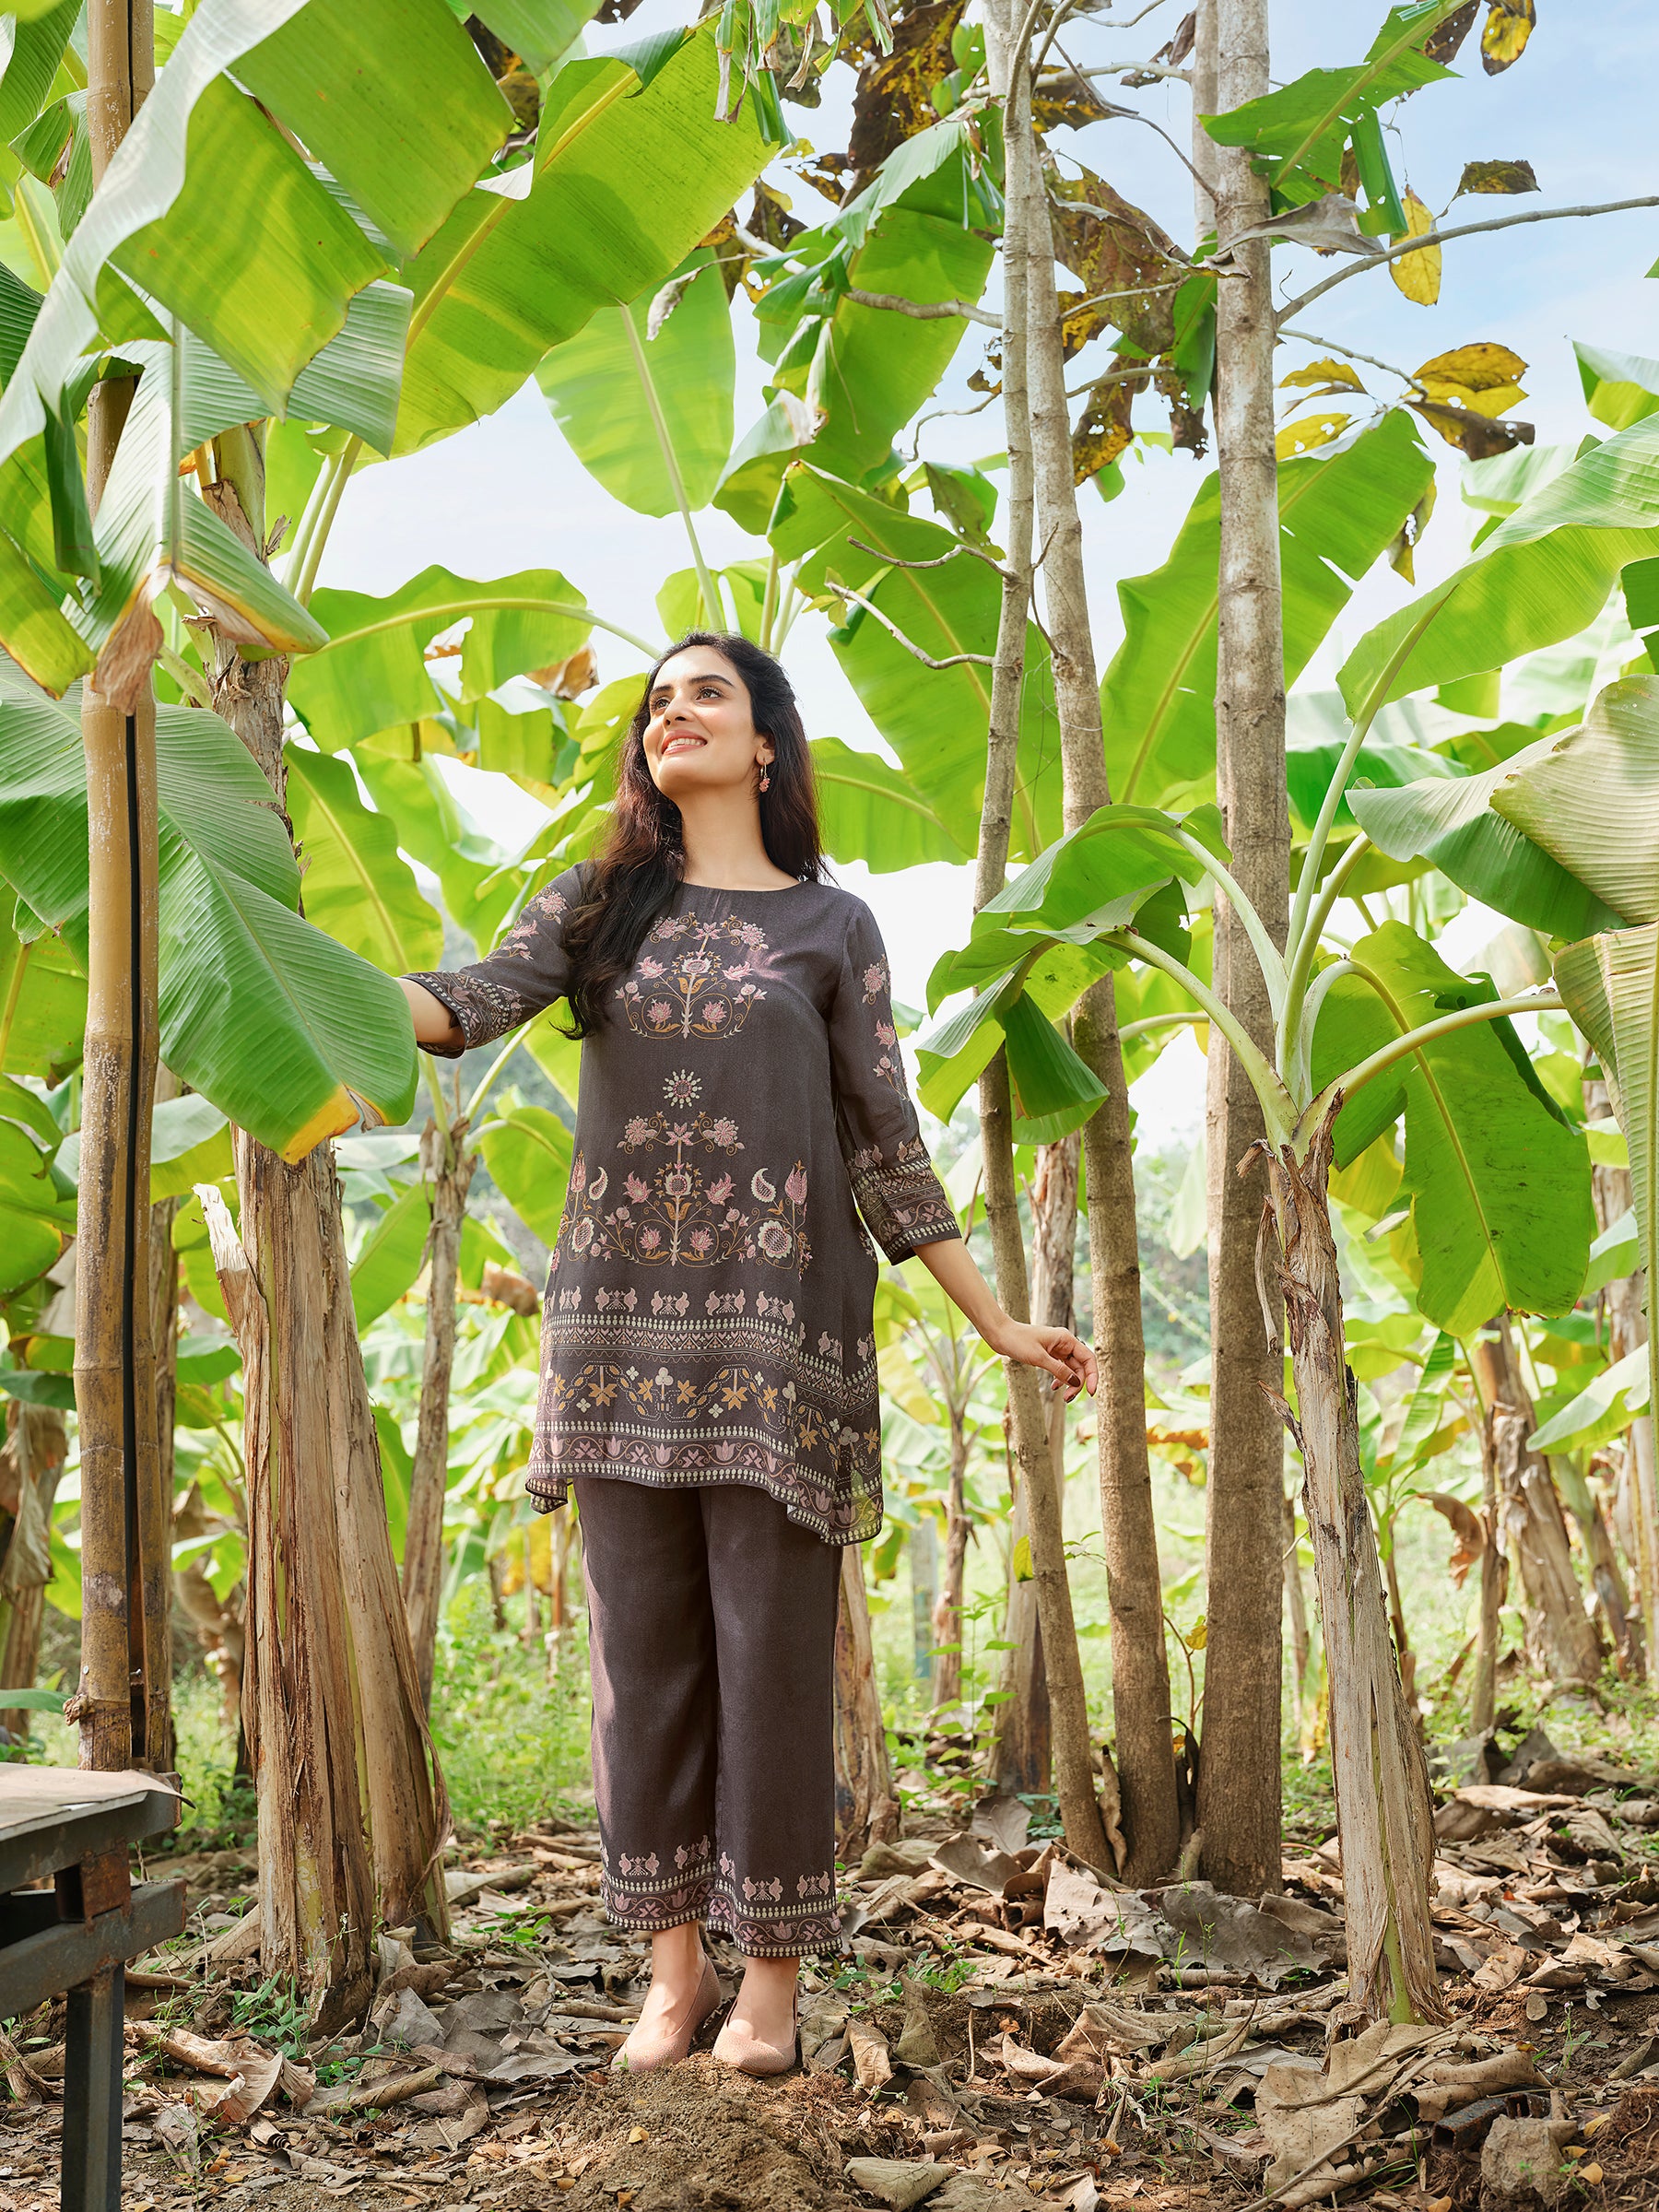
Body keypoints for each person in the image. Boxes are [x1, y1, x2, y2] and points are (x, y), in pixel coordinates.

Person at [399, 632, 1096, 2077]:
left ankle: (768, 1990)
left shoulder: (833, 929)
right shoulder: (600, 905)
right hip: (611, 1338)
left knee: (771, 1664)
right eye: (657, 702)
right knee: (641, 1670)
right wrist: (303, 968)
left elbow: (886, 1144)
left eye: (705, 692)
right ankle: (671, 1981)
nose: (674, 715)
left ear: (768, 739)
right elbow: (460, 1007)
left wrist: (998, 1320)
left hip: (783, 1343)